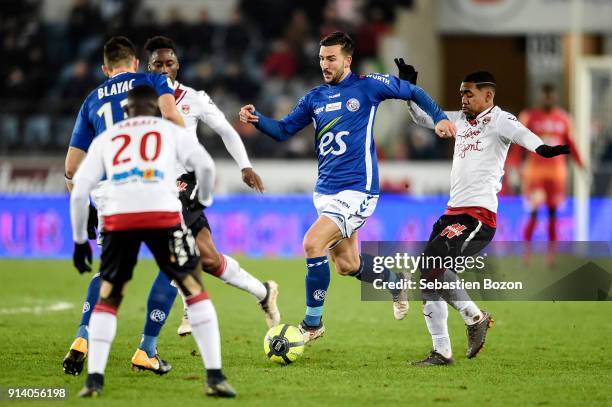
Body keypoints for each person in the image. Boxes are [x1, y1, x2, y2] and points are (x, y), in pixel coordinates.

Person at [239, 32, 455, 343]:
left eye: (331, 58)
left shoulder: (368, 86)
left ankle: (312, 324)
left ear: (347, 60)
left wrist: (439, 118)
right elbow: (284, 130)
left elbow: (412, 90)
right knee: (347, 265)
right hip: (325, 192)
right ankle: (396, 282)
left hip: (358, 190)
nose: (325, 64)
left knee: (313, 243)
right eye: (321, 58)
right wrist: (257, 119)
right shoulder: (314, 98)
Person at [398, 63, 570, 365]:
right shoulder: (460, 120)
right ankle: (450, 344)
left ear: (488, 95)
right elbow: (423, 118)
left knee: (431, 268)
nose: (463, 99)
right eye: (461, 93)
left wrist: (543, 149)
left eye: (469, 94)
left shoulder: (500, 120)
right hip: (451, 213)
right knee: (430, 275)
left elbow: (522, 134)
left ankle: (469, 323)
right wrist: (409, 92)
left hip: (477, 217)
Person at [71, 85, 235, 398]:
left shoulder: (108, 138)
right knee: (193, 288)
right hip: (162, 215)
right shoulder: (171, 131)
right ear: (157, 108)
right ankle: (214, 376)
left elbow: (80, 191)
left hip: (120, 218)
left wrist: (80, 240)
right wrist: (202, 201)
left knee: (110, 293)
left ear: (127, 111)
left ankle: (94, 381)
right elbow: (206, 166)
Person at [126, 36, 278, 370]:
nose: (164, 69)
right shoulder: (135, 100)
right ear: (147, 68)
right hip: (152, 186)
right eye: (157, 64)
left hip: (186, 185)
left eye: (169, 63)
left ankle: (148, 346)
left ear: (177, 65)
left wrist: (245, 165)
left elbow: (225, 129)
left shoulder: (193, 99)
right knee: (207, 258)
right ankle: (263, 291)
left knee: (174, 258)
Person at [62, 36, 184, 376]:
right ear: (135, 64)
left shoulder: (90, 100)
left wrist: (85, 205)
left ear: (105, 69)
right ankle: (146, 349)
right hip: (149, 183)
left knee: (109, 271)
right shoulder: (153, 80)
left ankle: (83, 335)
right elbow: (173, 118)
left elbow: (71, 168)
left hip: (107, 193)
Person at [508, 84, 583, 263]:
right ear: (540, 97)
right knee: (534, 212)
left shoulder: (564, 119)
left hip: (557, 174)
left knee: (552, 213)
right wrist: (515, 165)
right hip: (535, 174)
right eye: (545, 96)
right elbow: (519, 144)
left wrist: (581, 164)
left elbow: (571, 144)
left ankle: (550, 255)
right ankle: (526, 252)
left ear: (554, 97)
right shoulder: (529, 116)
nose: (547, 99)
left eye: (550, 96)